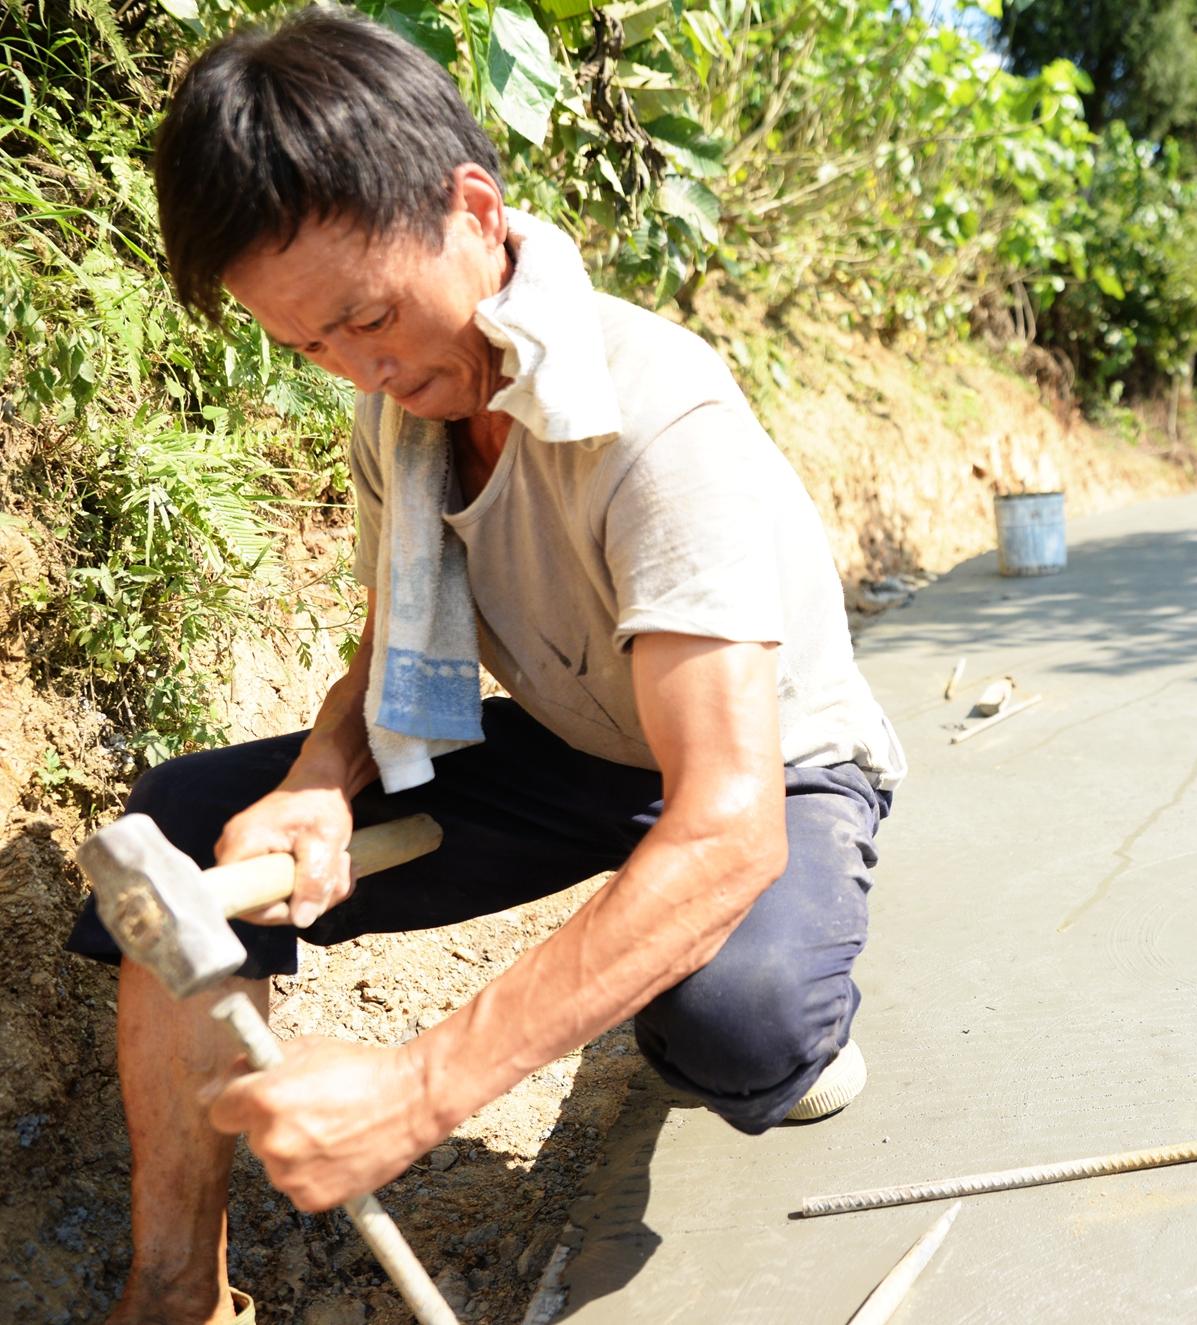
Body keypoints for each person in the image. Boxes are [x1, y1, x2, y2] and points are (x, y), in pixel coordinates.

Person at [63, 10, 906, 1323]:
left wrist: (419, 1087)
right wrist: (323, 778)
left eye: (370, 318)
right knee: (179, 828)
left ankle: (753, 966)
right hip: (579, 749)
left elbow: (728, 821)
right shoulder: (405, 407)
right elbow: (402, 643)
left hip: (764, 770)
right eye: (312, 350)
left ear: (472, 208)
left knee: (737, 1025)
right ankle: (178, 1293)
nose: (367, 371)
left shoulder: (655, 411)